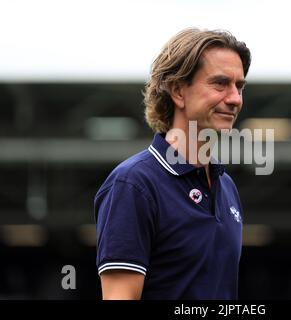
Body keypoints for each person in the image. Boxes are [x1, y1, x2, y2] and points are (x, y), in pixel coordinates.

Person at [94, 28, 251, 300]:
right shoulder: (133, 184)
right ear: (178, 91)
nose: (235, 98)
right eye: (220, 83)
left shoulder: (227, 187)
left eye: (239, 86)